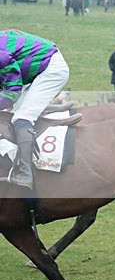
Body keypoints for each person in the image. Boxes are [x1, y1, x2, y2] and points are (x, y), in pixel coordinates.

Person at [0, 30, 71, 188]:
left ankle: (25, 173)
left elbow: (12, 92)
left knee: (21, 117)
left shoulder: (1, 56)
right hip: (37, 67)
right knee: (10, 114)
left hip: (51, 70)